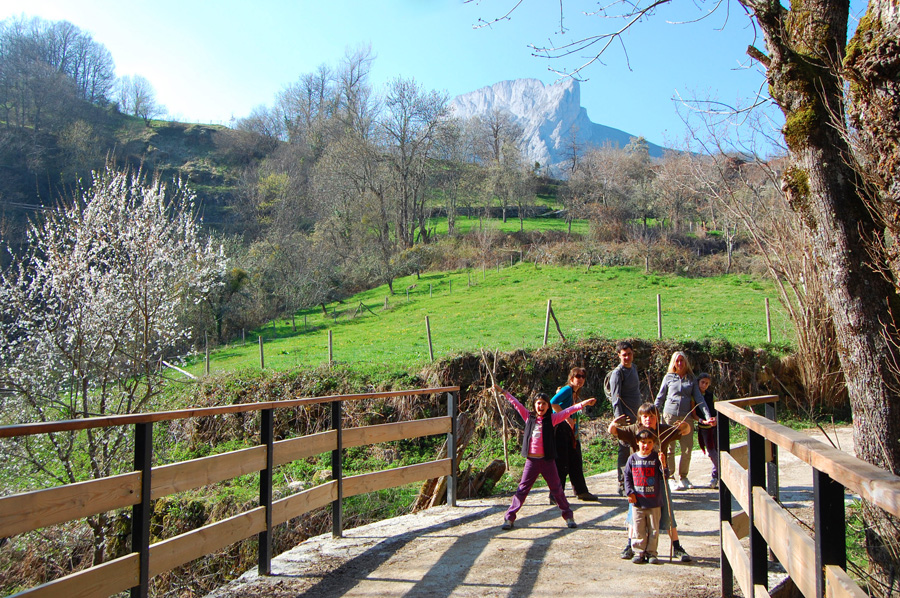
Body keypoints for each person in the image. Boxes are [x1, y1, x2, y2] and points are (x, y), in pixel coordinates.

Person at [495, 384, 597, 530]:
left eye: (543, 403)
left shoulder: (553, 419)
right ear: (534, 405)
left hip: (547, 461)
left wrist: (584, 403)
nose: (540, 406)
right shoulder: (528, 417)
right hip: (532, 461)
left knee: (557, 489)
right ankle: (509, 518)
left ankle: (568, 517)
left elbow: (569, 411)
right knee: (522, 490)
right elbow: (516, 404)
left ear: (548, 406)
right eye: (538, 403)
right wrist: (503, 392)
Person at [608, 402, 694, 562]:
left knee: (668, 513)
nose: (648, 419)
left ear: (657, 417)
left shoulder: (663, 429)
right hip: (638, 480)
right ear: (640, 418)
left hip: (659, 479)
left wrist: (684, 426)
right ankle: (630, 545)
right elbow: (613, 431)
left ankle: (676, 546)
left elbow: (685, 431)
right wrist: (613, 424)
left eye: (652, 416)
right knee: (634, 514)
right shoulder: (634, 429)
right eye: (645, 416)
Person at [654, 351, 716, 491]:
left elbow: (699, 399)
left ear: (686, 362)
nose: (680, 363)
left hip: (686, 417)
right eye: (677, 361)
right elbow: (660, 397)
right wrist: (653, 413)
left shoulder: (692, 379)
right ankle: (670, 477)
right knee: (669, 448)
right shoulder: (669, 377)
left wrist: (707, 416)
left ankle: (684, 477)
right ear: (673, 363)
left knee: (687, 449)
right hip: (670, 416)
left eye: (682, 360)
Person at [550, 367, 599, 501]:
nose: (581, 379)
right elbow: (552, 402)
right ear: (571, 378)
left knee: (575, 460)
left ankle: (581, 491)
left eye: (583, 376)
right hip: (561, 428)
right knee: (562, 462)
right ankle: (555, 495)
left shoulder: (574, 392)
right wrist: (567, 418)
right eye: (578, 376)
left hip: (571, 430)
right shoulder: (567, 389)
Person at [607, 340, 643, 496]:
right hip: (625, 420)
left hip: (638, 418)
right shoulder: (617, 373)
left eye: (629, 354)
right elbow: (616, 399)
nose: (627, 357)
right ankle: (622, 483)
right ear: (618, 356)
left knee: (636, 449)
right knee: (624, 450)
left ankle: (635, 480)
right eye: (624, 355)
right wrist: (618, 421)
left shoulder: (633, 368)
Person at [624, 429, 665, 564]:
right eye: (643, 442)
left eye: (649, 442)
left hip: (654, 501)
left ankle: (652, 553)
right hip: (637, 502)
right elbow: (627, 477)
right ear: (637, 442)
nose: (646, 445)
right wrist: (630, 492)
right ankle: (639, 552)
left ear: (653, 444)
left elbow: (665, 475)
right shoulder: (632, 459)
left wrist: (663, 463)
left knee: (654, 529)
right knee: (638, 528)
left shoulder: (656, 458)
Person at [696, 372, 719, 489]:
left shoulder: (710, 395)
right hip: (704, 428)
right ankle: (722, 470)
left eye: (707, 383)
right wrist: (702, 421)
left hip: (714, 426)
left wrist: (716, 419)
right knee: (711, 452)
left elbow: (718, 406)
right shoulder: (694, 395)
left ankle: (715, 476)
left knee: (717, 450)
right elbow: (693, 413)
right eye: (702, 382)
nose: (704, 385)